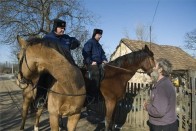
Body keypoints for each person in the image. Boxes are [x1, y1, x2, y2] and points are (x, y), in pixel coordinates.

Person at [144, 58, 178, 131]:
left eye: (155, 66)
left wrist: (147, 107)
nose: (153, 68)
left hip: (162, 126)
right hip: (167, 124)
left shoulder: (162, 87)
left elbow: (159, 112)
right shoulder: (164, 83)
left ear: (160, 69)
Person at [82, 29, 107, 98]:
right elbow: (85, 53)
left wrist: (104, 59)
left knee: (107, 71)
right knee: (95, 73)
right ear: (95, 34)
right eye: (99, 35)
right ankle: (92, 95)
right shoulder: (89, 43)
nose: (100, 36)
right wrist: (91, 61)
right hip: (90, 64)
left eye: (101, 35)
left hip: (99, 63)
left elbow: (103, 54)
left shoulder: (99, 45)